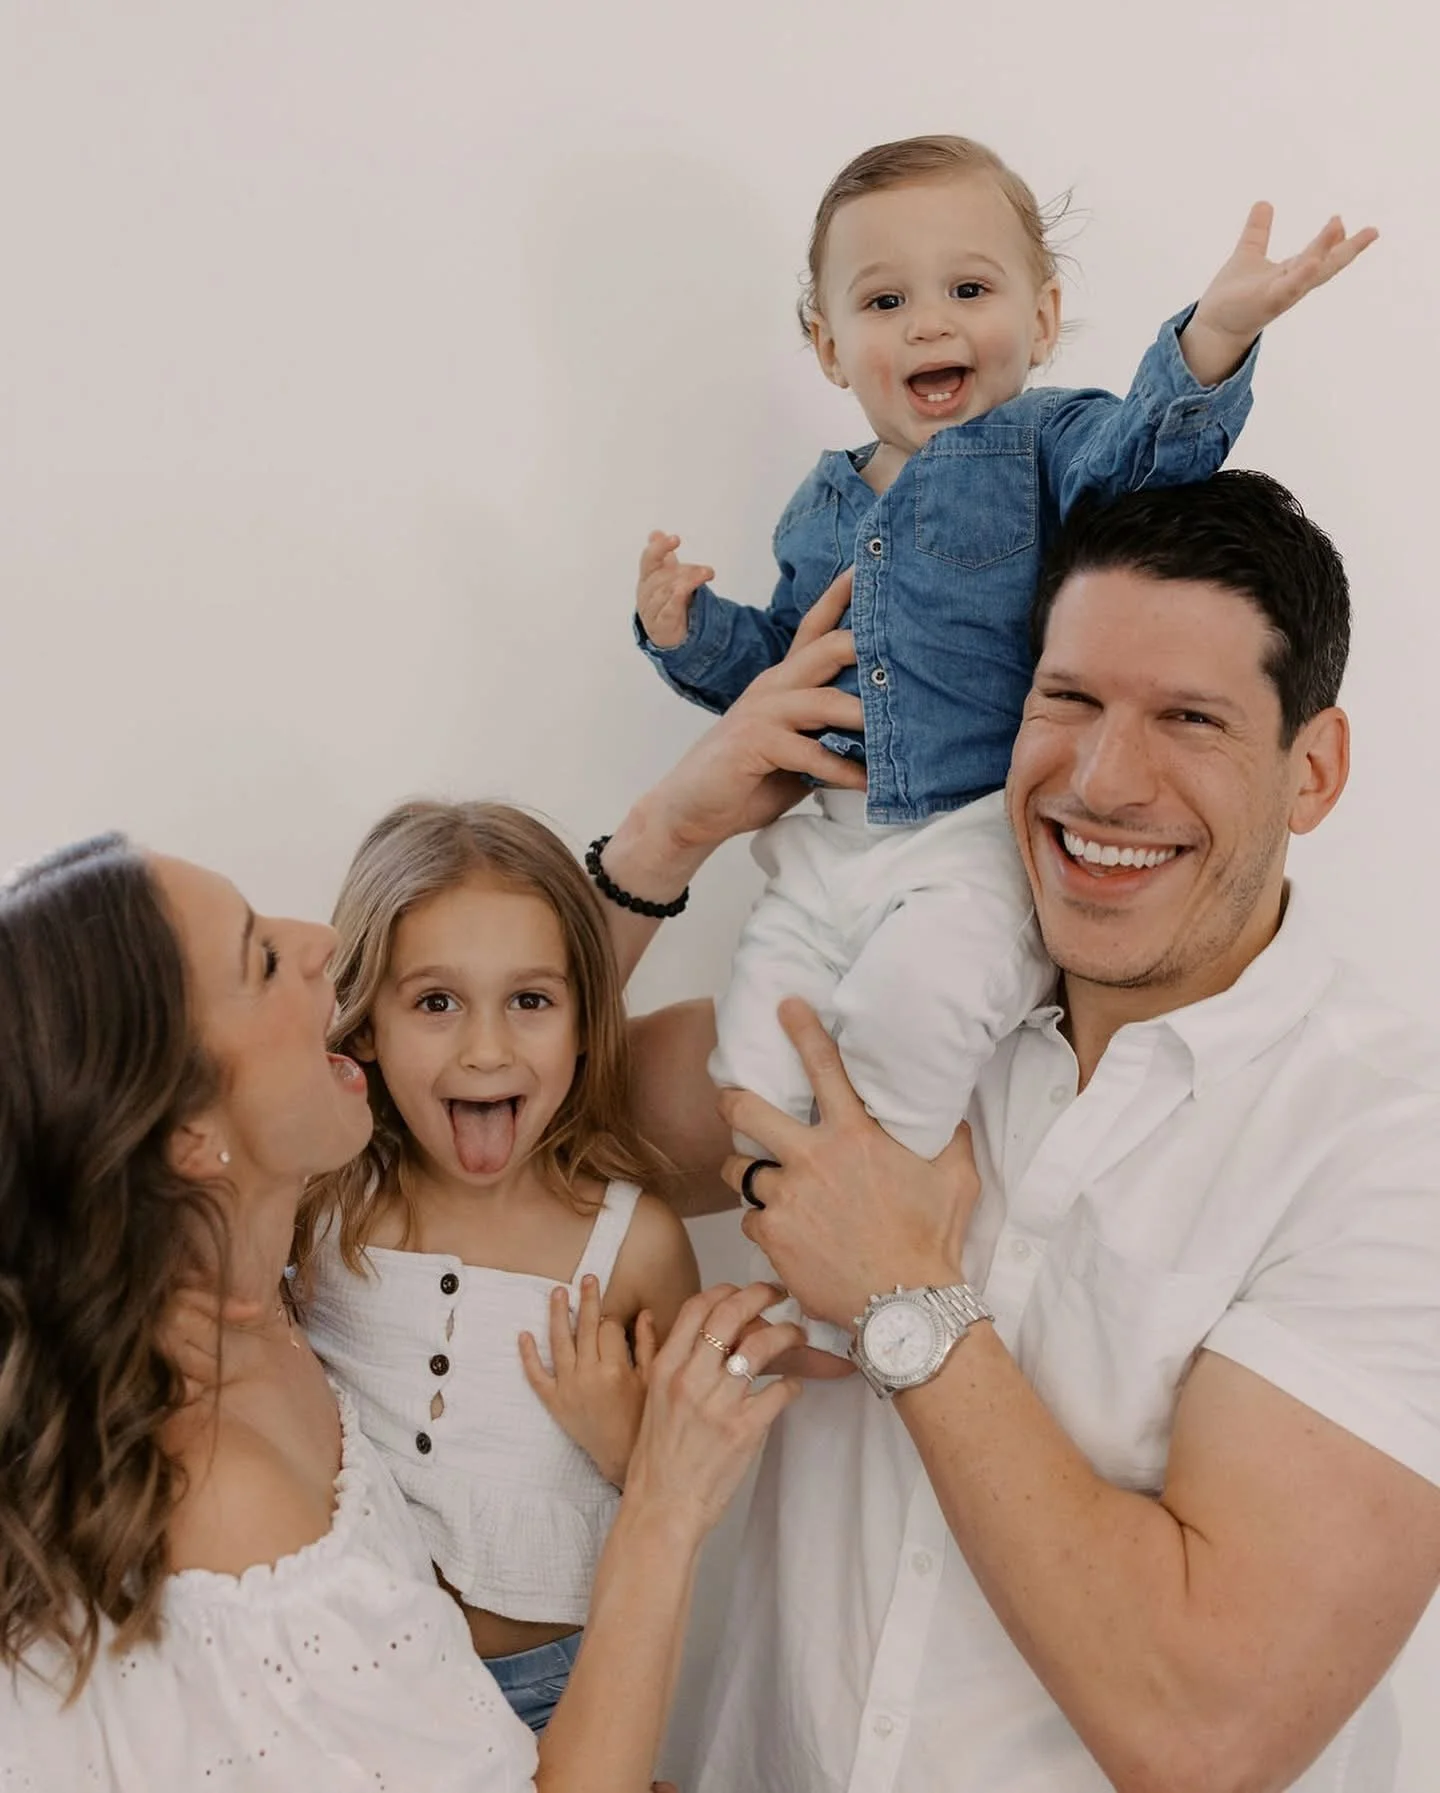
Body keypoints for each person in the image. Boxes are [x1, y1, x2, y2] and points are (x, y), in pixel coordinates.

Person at [611, 471, 1440, 1791]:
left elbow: (1204, 1730)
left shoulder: (1390, 1147)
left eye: (1190, 719)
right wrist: (665, 837)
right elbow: (526, 1116)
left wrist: (906, 1296)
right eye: (1068, 701)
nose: (1105, 780)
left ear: (1314, 771)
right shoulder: (911, 996)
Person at [632, 133, 1375, 1362]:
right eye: (885, 300)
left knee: (919, 1004)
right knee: (753, 1049)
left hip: (973, 827)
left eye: (969, 291)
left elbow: (1149, 455)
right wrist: (684, 632)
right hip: (828, 839)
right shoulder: (818, 507)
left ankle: (894, 1193)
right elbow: (777, 660)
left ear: (1042, 317)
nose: (932, 325)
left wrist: (1214, 340)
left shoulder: (1040, 444)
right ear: (828, 346)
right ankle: (804, 1247)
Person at [0, 826, 805, 1791]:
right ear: (189, 1138)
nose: (323, 941)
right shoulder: (225, 1486)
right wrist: (667, 1500)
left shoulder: (239, 1309)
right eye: (261, 957)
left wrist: (681, 821)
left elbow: (563, 1029)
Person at [297, 800, 701, 1732]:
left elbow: (687, 1499)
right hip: (345, 1687)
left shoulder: (634, 1243)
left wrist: (624, 1439)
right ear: (365, 1027)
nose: (487, 1048)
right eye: (436, 1002)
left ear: (587, 1021)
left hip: (552, 1691)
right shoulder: (322, 1206)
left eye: (531, 1000)